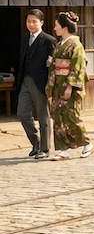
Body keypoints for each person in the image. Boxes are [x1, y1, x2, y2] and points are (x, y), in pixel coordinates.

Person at [46, 11, 92, 160]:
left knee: (71, 116)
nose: (55, 28)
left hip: (68, 86)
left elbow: (78, 67)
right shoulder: (60, 45)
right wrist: (51, 85)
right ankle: (62, 149)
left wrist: (70, 86)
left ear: (64, 27)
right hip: (58, 85)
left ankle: (87, 144)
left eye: (56, 25)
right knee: (58, 117)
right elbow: (54, 65)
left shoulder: (76, 45)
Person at [15, 8, 56, 160]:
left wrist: (51, 85)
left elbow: (52, 65)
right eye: (28, 21)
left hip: (41, 82)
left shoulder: (48, 40)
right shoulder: (24, 39)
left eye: (34, 21)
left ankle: (45, 149)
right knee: (22, 113)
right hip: (25, 80)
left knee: (43, 116)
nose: (31, 24)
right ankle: (36, 142)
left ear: (41, 22)